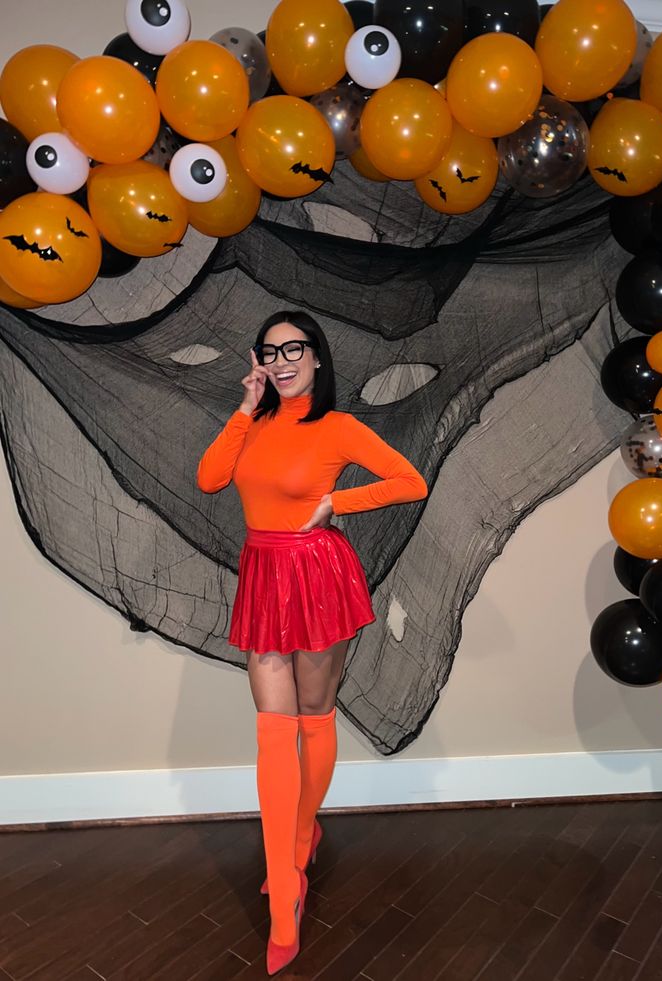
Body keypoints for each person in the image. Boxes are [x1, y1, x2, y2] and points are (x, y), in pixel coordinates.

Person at [196, 310, 428, 974]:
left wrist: (338, 505)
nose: (282, 359)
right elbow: (210, 479)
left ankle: (301, 836)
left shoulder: (339, 427)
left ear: (317, 357)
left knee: (311, 717)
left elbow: (411, 481)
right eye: (270, 351)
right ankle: (283, 902)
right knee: (273, 729)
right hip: (265, 572)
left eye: (293, 348)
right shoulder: (254, 422)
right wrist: (244, 405)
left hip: (318, 573)